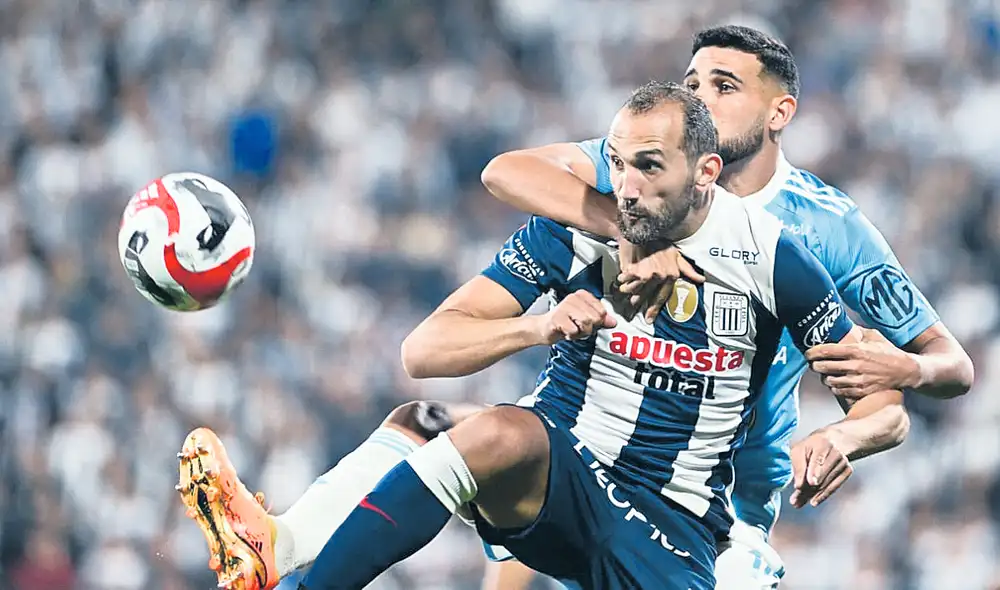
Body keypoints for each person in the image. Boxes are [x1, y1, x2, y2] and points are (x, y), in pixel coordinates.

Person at [260, 81, 903, 590]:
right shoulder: (577, 227)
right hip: (561, 468)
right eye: (619, 163)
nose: (627, 187)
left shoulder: (771, 258)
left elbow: (881, 401)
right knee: (485, 432)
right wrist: (538, 325)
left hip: (669, 520)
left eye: (650, 167)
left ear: (706, 171)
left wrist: (840, 435)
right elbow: (423, 350)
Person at [475, 24, 974, 589]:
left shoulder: (827, 225)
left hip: (728, 506)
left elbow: (951, 366)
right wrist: (637, 230)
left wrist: (902, 377)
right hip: (595, 463)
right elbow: (506, 171)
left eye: (724, 86)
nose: (700, 99)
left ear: (779, 112)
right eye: (692, 83)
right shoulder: (641, 166)